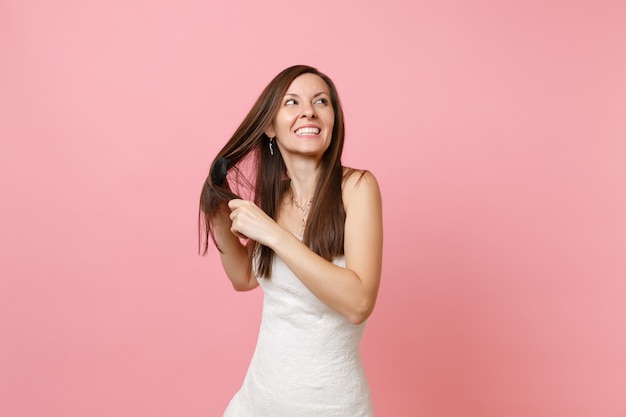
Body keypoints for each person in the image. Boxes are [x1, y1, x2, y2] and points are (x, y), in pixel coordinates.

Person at [199, 65, 383, 416]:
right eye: (292, 102)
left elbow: (359, 303)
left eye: (320, 101)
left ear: (333, 120)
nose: (308, 111)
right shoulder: (275, 198)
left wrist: (272, 232)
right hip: (258, 402)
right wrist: (218, 214)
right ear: (270, 126)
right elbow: (244, 278)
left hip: (332, 406)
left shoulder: (357, 188)